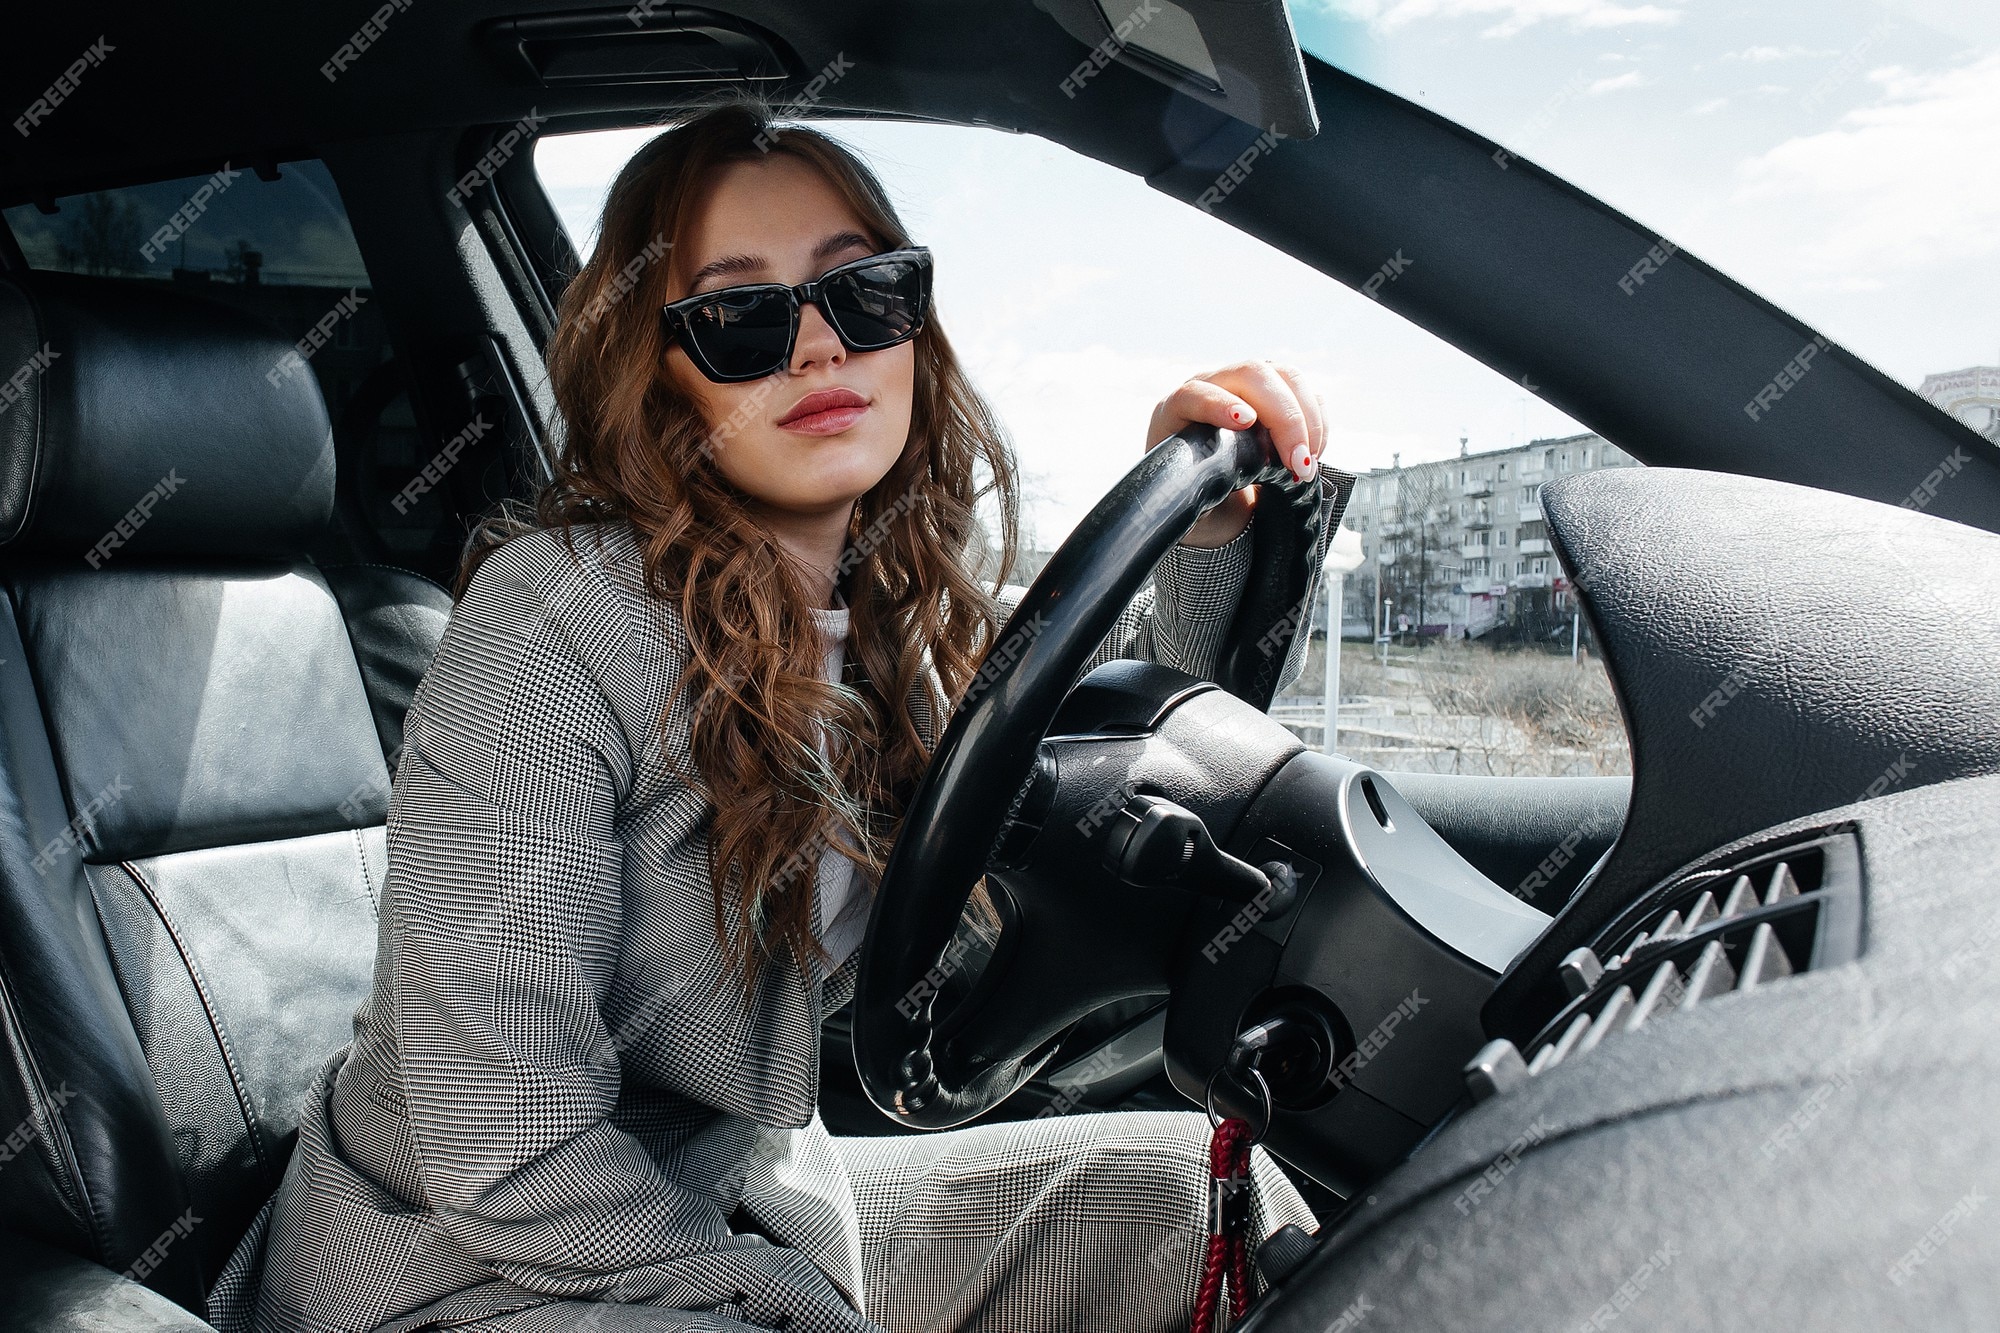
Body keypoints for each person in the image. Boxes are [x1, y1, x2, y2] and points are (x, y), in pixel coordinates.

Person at [220, 98, 1349, 1333]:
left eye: (860, 294)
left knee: (1185, 1199)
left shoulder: (889, 613)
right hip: (455, 1264)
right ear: (662, 375)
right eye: (741, 318)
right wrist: (795, 1302)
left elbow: (1137, 765)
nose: (817, 349)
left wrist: (1200, 533)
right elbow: (504, 1151)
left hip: (728, 1192)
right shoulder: (549, 624)